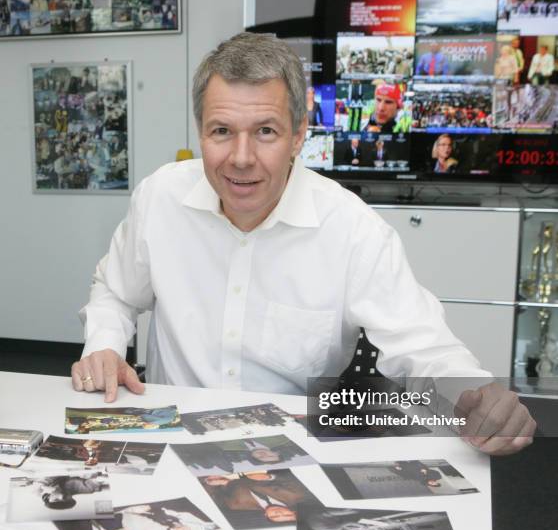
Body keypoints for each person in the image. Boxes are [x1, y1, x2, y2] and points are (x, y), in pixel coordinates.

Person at [72, 33, 535, 456]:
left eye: (266, 132)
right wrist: (105, 346)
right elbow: (114, 292)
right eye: (222, 131)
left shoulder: (352, 228)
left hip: (289, 451)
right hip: (171, 437)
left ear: (298, 136)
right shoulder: (160, 199)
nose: (241, 158)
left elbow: (422, 344)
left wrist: (475, 393)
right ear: (200, 132)